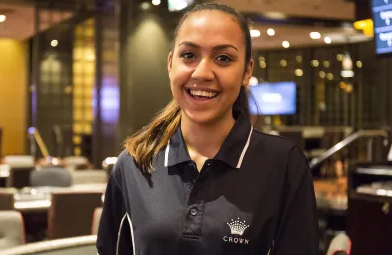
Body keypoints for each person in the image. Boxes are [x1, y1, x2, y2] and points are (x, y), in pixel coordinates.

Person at [96, 3, 318, 255]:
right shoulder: (134, 164)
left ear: (246, 71)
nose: (202, 73)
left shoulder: (283, 165)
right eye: (189, 55)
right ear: (171, 64)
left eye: (223, 58)